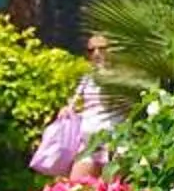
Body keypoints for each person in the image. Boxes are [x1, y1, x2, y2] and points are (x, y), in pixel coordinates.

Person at [29, 33, 124, 180]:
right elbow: (86, 105)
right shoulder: (88, 78)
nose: (96, 53)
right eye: (91, 50)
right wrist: (69, 110)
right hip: (88, 143)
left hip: (115, 144)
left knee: (115, 190)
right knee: (76, 190)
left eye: (102, 48)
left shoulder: (123, 78)